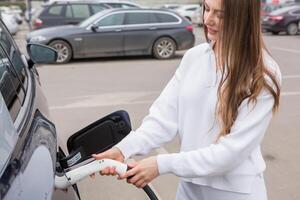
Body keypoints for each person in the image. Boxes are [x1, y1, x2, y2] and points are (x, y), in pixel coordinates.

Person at [91, 0, 281, 199]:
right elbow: (162, 119)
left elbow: (231, 153)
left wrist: (161, 164)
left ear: (243, 19)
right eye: (206, 9)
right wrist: (123, 149)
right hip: (189, 190)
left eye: (221, 15)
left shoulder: (263, 74)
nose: (208, 19)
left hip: (235, 192)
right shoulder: (194, 58)